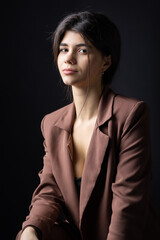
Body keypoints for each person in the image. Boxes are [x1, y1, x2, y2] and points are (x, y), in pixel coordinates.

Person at [16, 11, 160, 240]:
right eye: (63, 49)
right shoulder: (52, 123)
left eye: (82, 50)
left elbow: (128, 205)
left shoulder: (131, 114)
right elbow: (49, 193)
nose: (68, 58)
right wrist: (31, 230)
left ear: (106, 61)